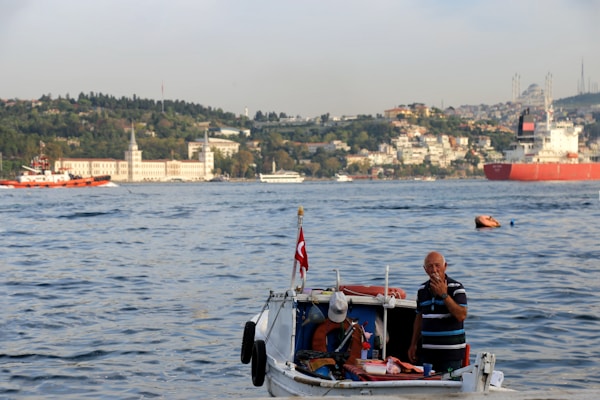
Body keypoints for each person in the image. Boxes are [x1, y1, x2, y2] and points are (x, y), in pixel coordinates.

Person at [408, 251, 468, 373]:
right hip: (427, 354)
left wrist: (444, 294)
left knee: (449, 389)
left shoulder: (456, 288)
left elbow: (461, 315)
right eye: (430, 266)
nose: (434, 270)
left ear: (445, 266)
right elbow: (419, 317)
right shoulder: (422, 290)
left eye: (437, 265)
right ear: (425, 270)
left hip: (451, 356)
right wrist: (413, 344)